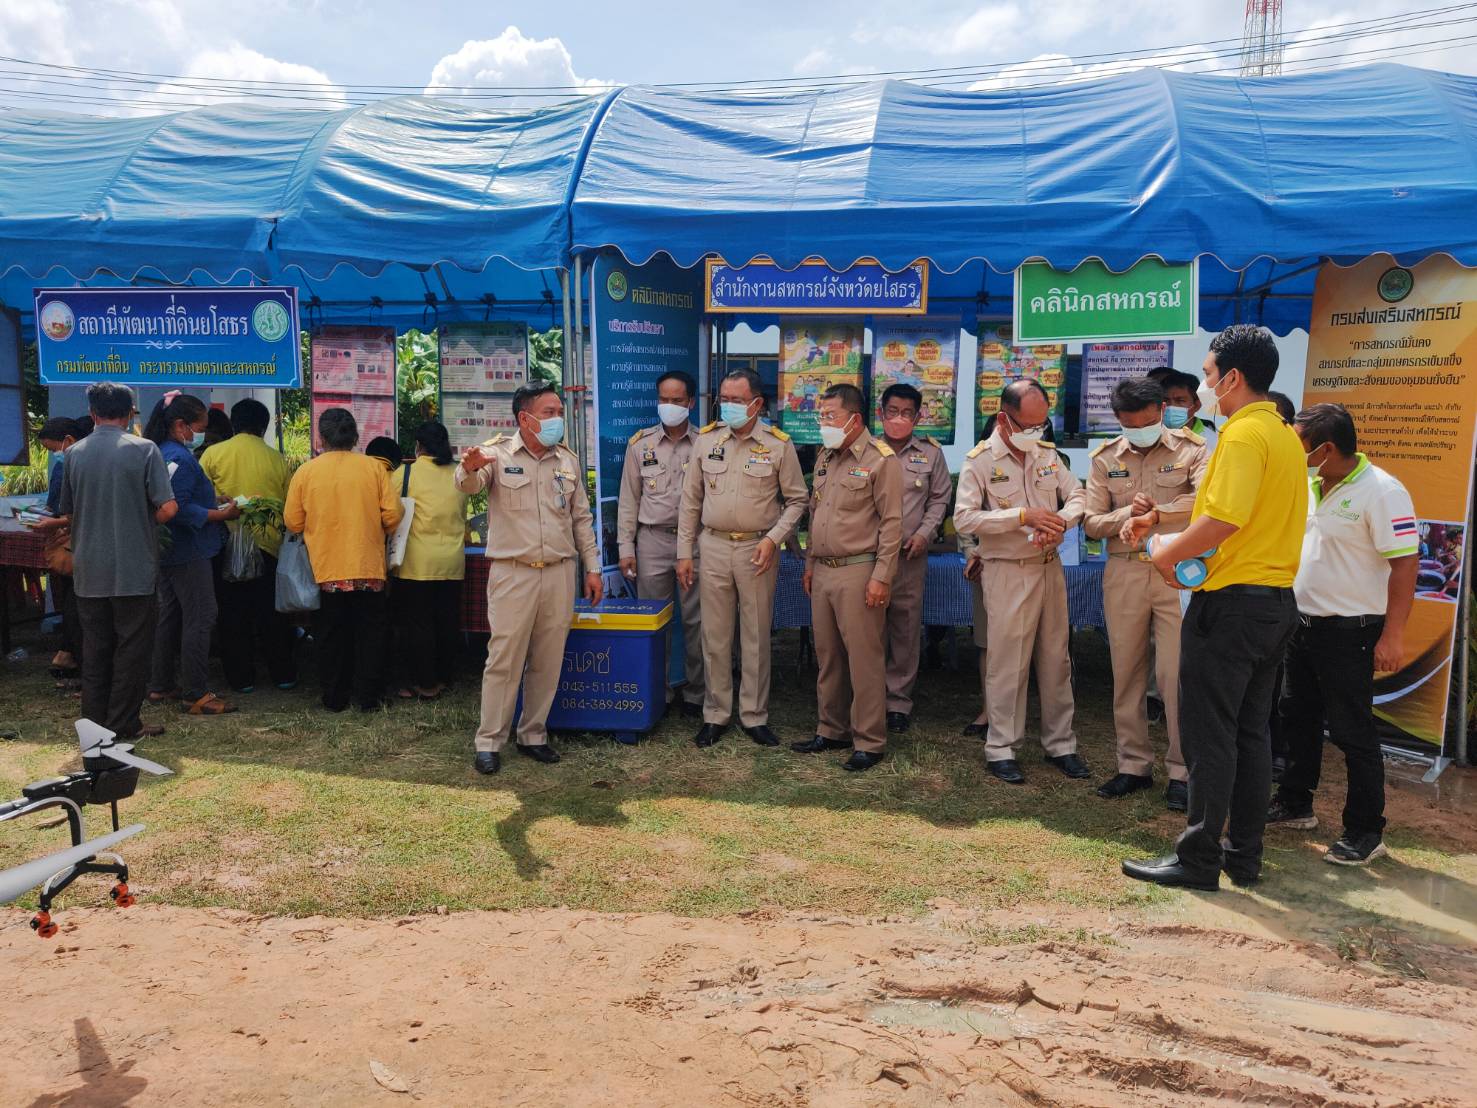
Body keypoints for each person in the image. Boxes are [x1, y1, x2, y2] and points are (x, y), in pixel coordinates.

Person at [1123, 324, 1306, 891]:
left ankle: (1198, 859)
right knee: (1252, 736)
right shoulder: (1282, 434)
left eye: (1205, 375)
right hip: (1274, 606)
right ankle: (1241, 857)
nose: (1201, 388)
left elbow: (1223, 519)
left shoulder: (1243, 435)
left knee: (1210, 737)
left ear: (1232, 378)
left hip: (1231, 608)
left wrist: (1164, 554)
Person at [1266, 404, 1416, 866]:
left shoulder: (1383, 491)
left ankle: (1366, 831)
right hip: (1302, 625)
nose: (1294, 454)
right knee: (1297, 716)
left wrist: (1393, 636)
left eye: (1299, 445)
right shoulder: (1311, 484)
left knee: (1353, 731)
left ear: (1325, 448)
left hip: (1351, 632)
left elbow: (1406, 564)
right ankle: (1296, 802)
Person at [456, 382, 601, 773]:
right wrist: (468, 468)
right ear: (526, 418)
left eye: (559, 411)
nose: (558, 418)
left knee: (548, 660)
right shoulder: (498, 454)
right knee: (504, 659)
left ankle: (533, 734)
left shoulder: (567, 461)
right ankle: (489, 741)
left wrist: (592, 567)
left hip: (558, 573)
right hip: (512, 573)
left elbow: (581, 520)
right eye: (550, 411)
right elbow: (469, 484)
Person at [954, 379, 1090, 784]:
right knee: (1007, 662)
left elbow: (1078, 494)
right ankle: (1001, 747)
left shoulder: (1047, 455)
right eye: (1028, 426)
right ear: (1004, 419)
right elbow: (964, 519)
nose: (1036, 433)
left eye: (1041, 425)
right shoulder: (979, 461)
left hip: (1049, 566)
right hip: (1007, 569)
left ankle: (1061, 744)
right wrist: (1020, 516)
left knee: (1056, 659)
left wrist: (1061, 522)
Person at [1084, 377, 1207, 809]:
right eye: (1132, 425)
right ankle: (1132, 765)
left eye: (1149, 421)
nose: (1142, 429)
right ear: (1119, 420)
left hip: (1177, 570)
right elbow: (1090, 521)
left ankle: (1182, 770)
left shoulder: (1193, 449)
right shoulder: (1104, 458)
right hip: (1124, 572)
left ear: (1161, 410)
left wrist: (1156, 514)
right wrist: (1125, 512)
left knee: (1176, 674)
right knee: (1127, 670)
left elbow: (1206, 504)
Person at [35, 383, 178, 740]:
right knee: (132, 649)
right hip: (135, 567)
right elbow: (168, 508)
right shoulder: (145, 450)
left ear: (93, 412)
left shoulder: (74, 454)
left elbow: (68, 511)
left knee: (95, 649)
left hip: (89, 569)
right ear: (130, 412)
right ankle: (125, 723)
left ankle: (94, 727)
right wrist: (142, 517)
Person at [676, 369, 807, 748]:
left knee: (755, 635)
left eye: (736, 400)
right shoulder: (707, 440)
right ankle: (715, 714)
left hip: (757, 550)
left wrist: (774, 539)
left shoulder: (779, 445)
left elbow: (797, 499)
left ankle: (754, 715)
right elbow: (690, 502)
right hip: (713, 545)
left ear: (757, 404)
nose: (728, 406)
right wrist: (685, 552)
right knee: (714, 635)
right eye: (724, 399)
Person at [790, 384, 902, 771]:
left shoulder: (881, 460)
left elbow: (891, 525)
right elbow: (815, 515)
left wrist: (881, 576)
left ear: (854, 418)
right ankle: (831, 728)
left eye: (830, 416)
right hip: (822, 570)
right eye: (821, 416)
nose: (823, 423)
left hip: (860, 570)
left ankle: (869, 740)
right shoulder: (825, 457)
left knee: (864, 658)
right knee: (828, 656)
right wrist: (808, 563)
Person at [284, 407, 403, 713]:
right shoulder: (374, 468)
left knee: (330, 636)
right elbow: (392, 515)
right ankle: (367, 698)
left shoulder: (306, 472)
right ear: (355, 437)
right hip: (369, 567)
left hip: (326, 571)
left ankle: (334, 697)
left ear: (321, 438)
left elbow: (293, 522)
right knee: (370, 635)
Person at [144, 392, 239, 717]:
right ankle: (196, 693)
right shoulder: (181, 459)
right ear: (181, 425)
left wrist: (212, 499)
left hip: (171, 550)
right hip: (189, 550)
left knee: (170, 615)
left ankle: (160, 683)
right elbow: (178, 507)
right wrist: (219, 515)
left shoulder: (162, 452)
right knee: (201, 616)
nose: (201, 433)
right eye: (200, 426)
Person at [617, 370, 705, 718]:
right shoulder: (641, 444)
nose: (669, 406)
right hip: (651, 542)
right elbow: (628, 500)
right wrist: (626, 547)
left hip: (696, 542)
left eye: (677, 400)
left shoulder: (706, 444)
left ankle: (698, 694)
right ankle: (658, 692)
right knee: (653, 621)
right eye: (664, 400)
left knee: (698, 622)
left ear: (691, 403)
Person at [200, 398, 298, 694]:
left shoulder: (213, 454)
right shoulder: (277, 459)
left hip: (224, 545)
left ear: (233, 422)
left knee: (232, 615)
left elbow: (199, 496)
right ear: (264, 426)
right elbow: (290, 507)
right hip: (269, 546)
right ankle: (283, 674)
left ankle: (241, 678)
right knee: (273, 614)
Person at [875, 384, 951, 733]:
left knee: (905, 628)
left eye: (907, 412)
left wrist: (924, 533)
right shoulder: (865, 449)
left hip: (909, 555)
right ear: (881, 413)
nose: (899, 418)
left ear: (918, 417)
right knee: (868, 628)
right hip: (869, 556)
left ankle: (897, 702)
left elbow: (939, 499)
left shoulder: (931, 453)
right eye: (892, 411)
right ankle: (868, 697)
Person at [391, 421, 468, 701]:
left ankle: (425, 683)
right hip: (452, 562)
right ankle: (445, 678)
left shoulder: (406, 472)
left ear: (419, 446)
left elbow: (388, 511)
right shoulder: (460, 473)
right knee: (447, 622)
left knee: (419, 625)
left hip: (416, 562)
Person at [38, 416, 84, 679]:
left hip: (75, 545)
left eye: (53, 449)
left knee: (75, 603)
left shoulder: (75, 464)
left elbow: (71, 511)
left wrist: (52, 521)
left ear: (68, 440)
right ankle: (72, 654)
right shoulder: (68, 465)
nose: (55, 455)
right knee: (73, 602)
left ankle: (74, 656)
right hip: (72, 544)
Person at [1160, 370, 1218, 454]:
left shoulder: (1212, 442)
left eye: (1180, 400)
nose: (1171, 406)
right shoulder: (1151, 437)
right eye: (1166, 400)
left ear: (1196, 405)